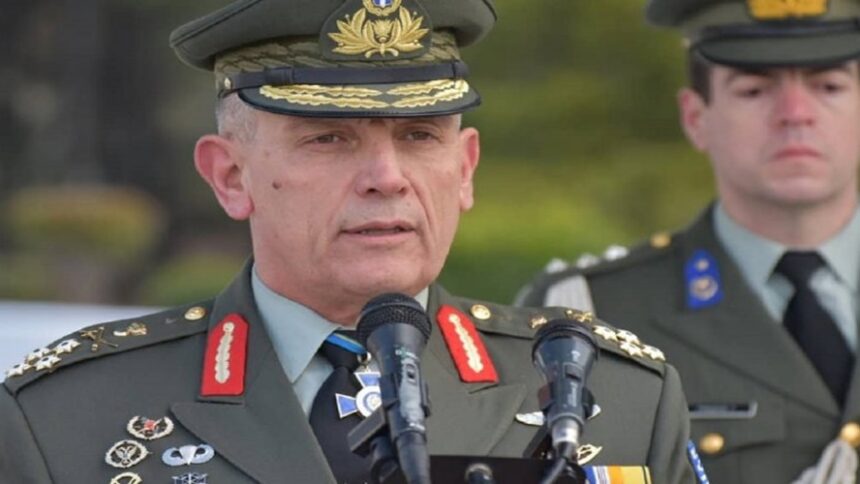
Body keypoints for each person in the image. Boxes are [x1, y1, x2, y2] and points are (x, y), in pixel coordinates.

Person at [0, 1, 698, 483]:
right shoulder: (65, 418)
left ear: (464, 170)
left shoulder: (611, 397)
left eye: (419, 136)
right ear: (230, 176)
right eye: (328, 139)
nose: (387, 178)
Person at [519, 0, 860, 482]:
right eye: (754, 90)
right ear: (695, 117)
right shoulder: (591, 315)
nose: (795, 114)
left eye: (828, 86)